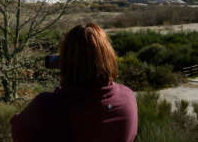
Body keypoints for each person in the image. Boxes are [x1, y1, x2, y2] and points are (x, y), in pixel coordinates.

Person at [10, 23, 138, 142]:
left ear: (65, 63)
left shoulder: (46, 106)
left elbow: (17, 129)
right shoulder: (127, 97)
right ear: (108, 57)